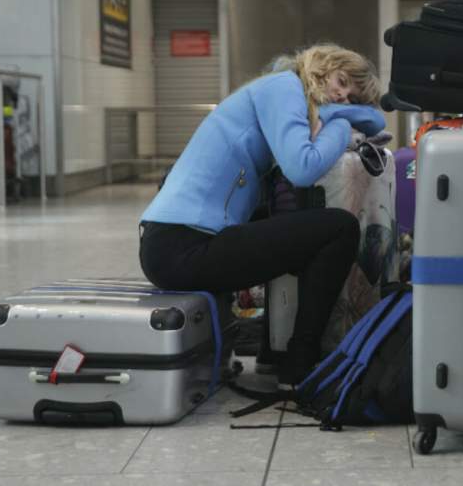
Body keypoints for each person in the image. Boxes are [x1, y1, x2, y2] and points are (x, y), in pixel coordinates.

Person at [138, 43, 386, 388]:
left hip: (183, 239)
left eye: (349, 97)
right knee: (338, 229)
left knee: (295, 225)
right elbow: (302, 167)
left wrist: (333, 114)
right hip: (183, 244)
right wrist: (341, 123)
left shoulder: (285, 93)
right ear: (323, 65)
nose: (340, 95)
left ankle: (275, 350)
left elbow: (377, 119)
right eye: (340, 81)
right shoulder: (283, 87)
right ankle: (301, 361)